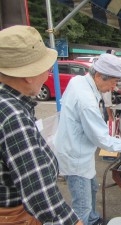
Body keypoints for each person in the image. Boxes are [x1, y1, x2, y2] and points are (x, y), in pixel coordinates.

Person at [54, 54, 121, 225]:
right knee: (81, 204)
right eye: (113, 82)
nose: (114, 87)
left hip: (78, 147)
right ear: (98, 75)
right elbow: (103, 141)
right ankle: (85, 219)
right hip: (75, 156)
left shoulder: (78, 80)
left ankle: (92, 220)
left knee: (91, 188)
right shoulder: (86, 101)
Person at [0, 25, 82, 225]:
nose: (48, 75)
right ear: (28, 75)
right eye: (45, 69)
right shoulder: (13, 115)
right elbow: (39, 194)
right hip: (15, 217)